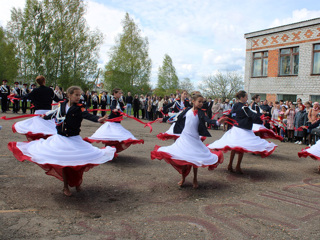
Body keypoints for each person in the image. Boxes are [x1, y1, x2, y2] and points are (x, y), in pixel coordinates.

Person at [8, 86, 116, 196]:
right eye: (76, 95)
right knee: (63, 163)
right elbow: (54, 114)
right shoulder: (62, 105)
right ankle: (65, 187)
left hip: (74, 139)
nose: (79, 97)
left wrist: (98, 119)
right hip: (61, 139)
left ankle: (77, 183)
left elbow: (86, 115)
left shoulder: (80, 107)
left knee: (78, 162)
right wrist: (44, 116)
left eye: (80, 95)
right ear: (69, 95)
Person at [151, 93, 224, 188]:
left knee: (195, 160)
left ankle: (195, 179)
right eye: (199, 101)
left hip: (194, 139)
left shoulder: (201, 113)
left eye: (202, 102)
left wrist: (217, 122)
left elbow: (208, 120)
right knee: (184, 158)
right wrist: (163, 119)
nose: (201, 103)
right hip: (185, 138)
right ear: (193, 101)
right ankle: (183, 178)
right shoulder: (187, 110)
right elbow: (177, 117)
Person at [207, 90, 277, 174]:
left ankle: (230, 165)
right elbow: (252, 115)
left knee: (234, 146)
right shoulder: (244, 107)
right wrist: (262, 116)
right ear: (242, 97)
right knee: (241, 148)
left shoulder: (236, 105)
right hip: (243, 129)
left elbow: (232, 114)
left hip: (236, 128)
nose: (247, 98)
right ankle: (237, 166)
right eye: (246, 97)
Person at [84, 88, 144, 153]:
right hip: (113, 123)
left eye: (121, 93)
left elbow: (119, 109)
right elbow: (112, 106)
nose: (120, 94)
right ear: (115, 93)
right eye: (119, 93)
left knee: (115, 137)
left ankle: (110, 150)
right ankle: (109, 150)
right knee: (114, 137)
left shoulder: (118, 100)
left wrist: (122, 107)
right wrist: (114, 109)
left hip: (116, 122)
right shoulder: (113, 100)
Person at [12, 76, 62, 140]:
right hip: (48, 112)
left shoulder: (35, 90)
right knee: (51, 128)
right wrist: (65, 100)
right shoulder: (49, 90)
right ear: (44, 81)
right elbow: (57, 99)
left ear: (37, 83)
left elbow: (26, 96)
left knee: (37, 127)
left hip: (38, 112)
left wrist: (17, 96)